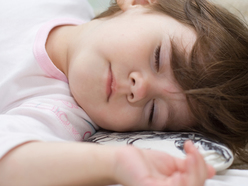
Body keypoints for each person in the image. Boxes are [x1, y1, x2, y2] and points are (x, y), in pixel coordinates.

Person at [0, 0, 246, 185]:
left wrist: (114, 163)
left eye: (153, 111)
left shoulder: (60, 115)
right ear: (140, 3)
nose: (139, 89)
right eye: (158, 57)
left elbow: (9, 158)